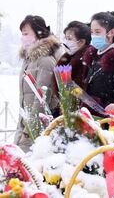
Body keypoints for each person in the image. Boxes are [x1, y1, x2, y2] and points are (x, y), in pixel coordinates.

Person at [16, 15, 64, 152]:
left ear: (39, 33)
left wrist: (29, 131)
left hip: (35, 131)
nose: (22, 37)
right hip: (24, 125)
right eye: (22, 33)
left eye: (26, 33)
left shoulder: (45, 61)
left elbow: (42, 100)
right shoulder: (29, 60)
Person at [55, 21, 92, 89]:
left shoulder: (85, 61)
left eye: (69, 39)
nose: (65, 42)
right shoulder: (68, 58)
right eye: (65, 38)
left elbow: (80, 89)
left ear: (81, 42)